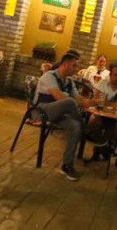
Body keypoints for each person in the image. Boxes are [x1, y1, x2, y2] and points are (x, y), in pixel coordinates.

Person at [35, 53, 92, 181]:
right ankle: (86, 130)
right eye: (74, 65)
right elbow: (60, 98)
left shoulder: (69, 82)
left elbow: (78, 98)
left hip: (58, 114)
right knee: (69, 102)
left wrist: (92, 102)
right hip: (41, 111)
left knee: (75, 126)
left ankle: (67, 165)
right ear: (65, 64)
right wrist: (80, 103)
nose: (76, 68)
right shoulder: (49, 76)